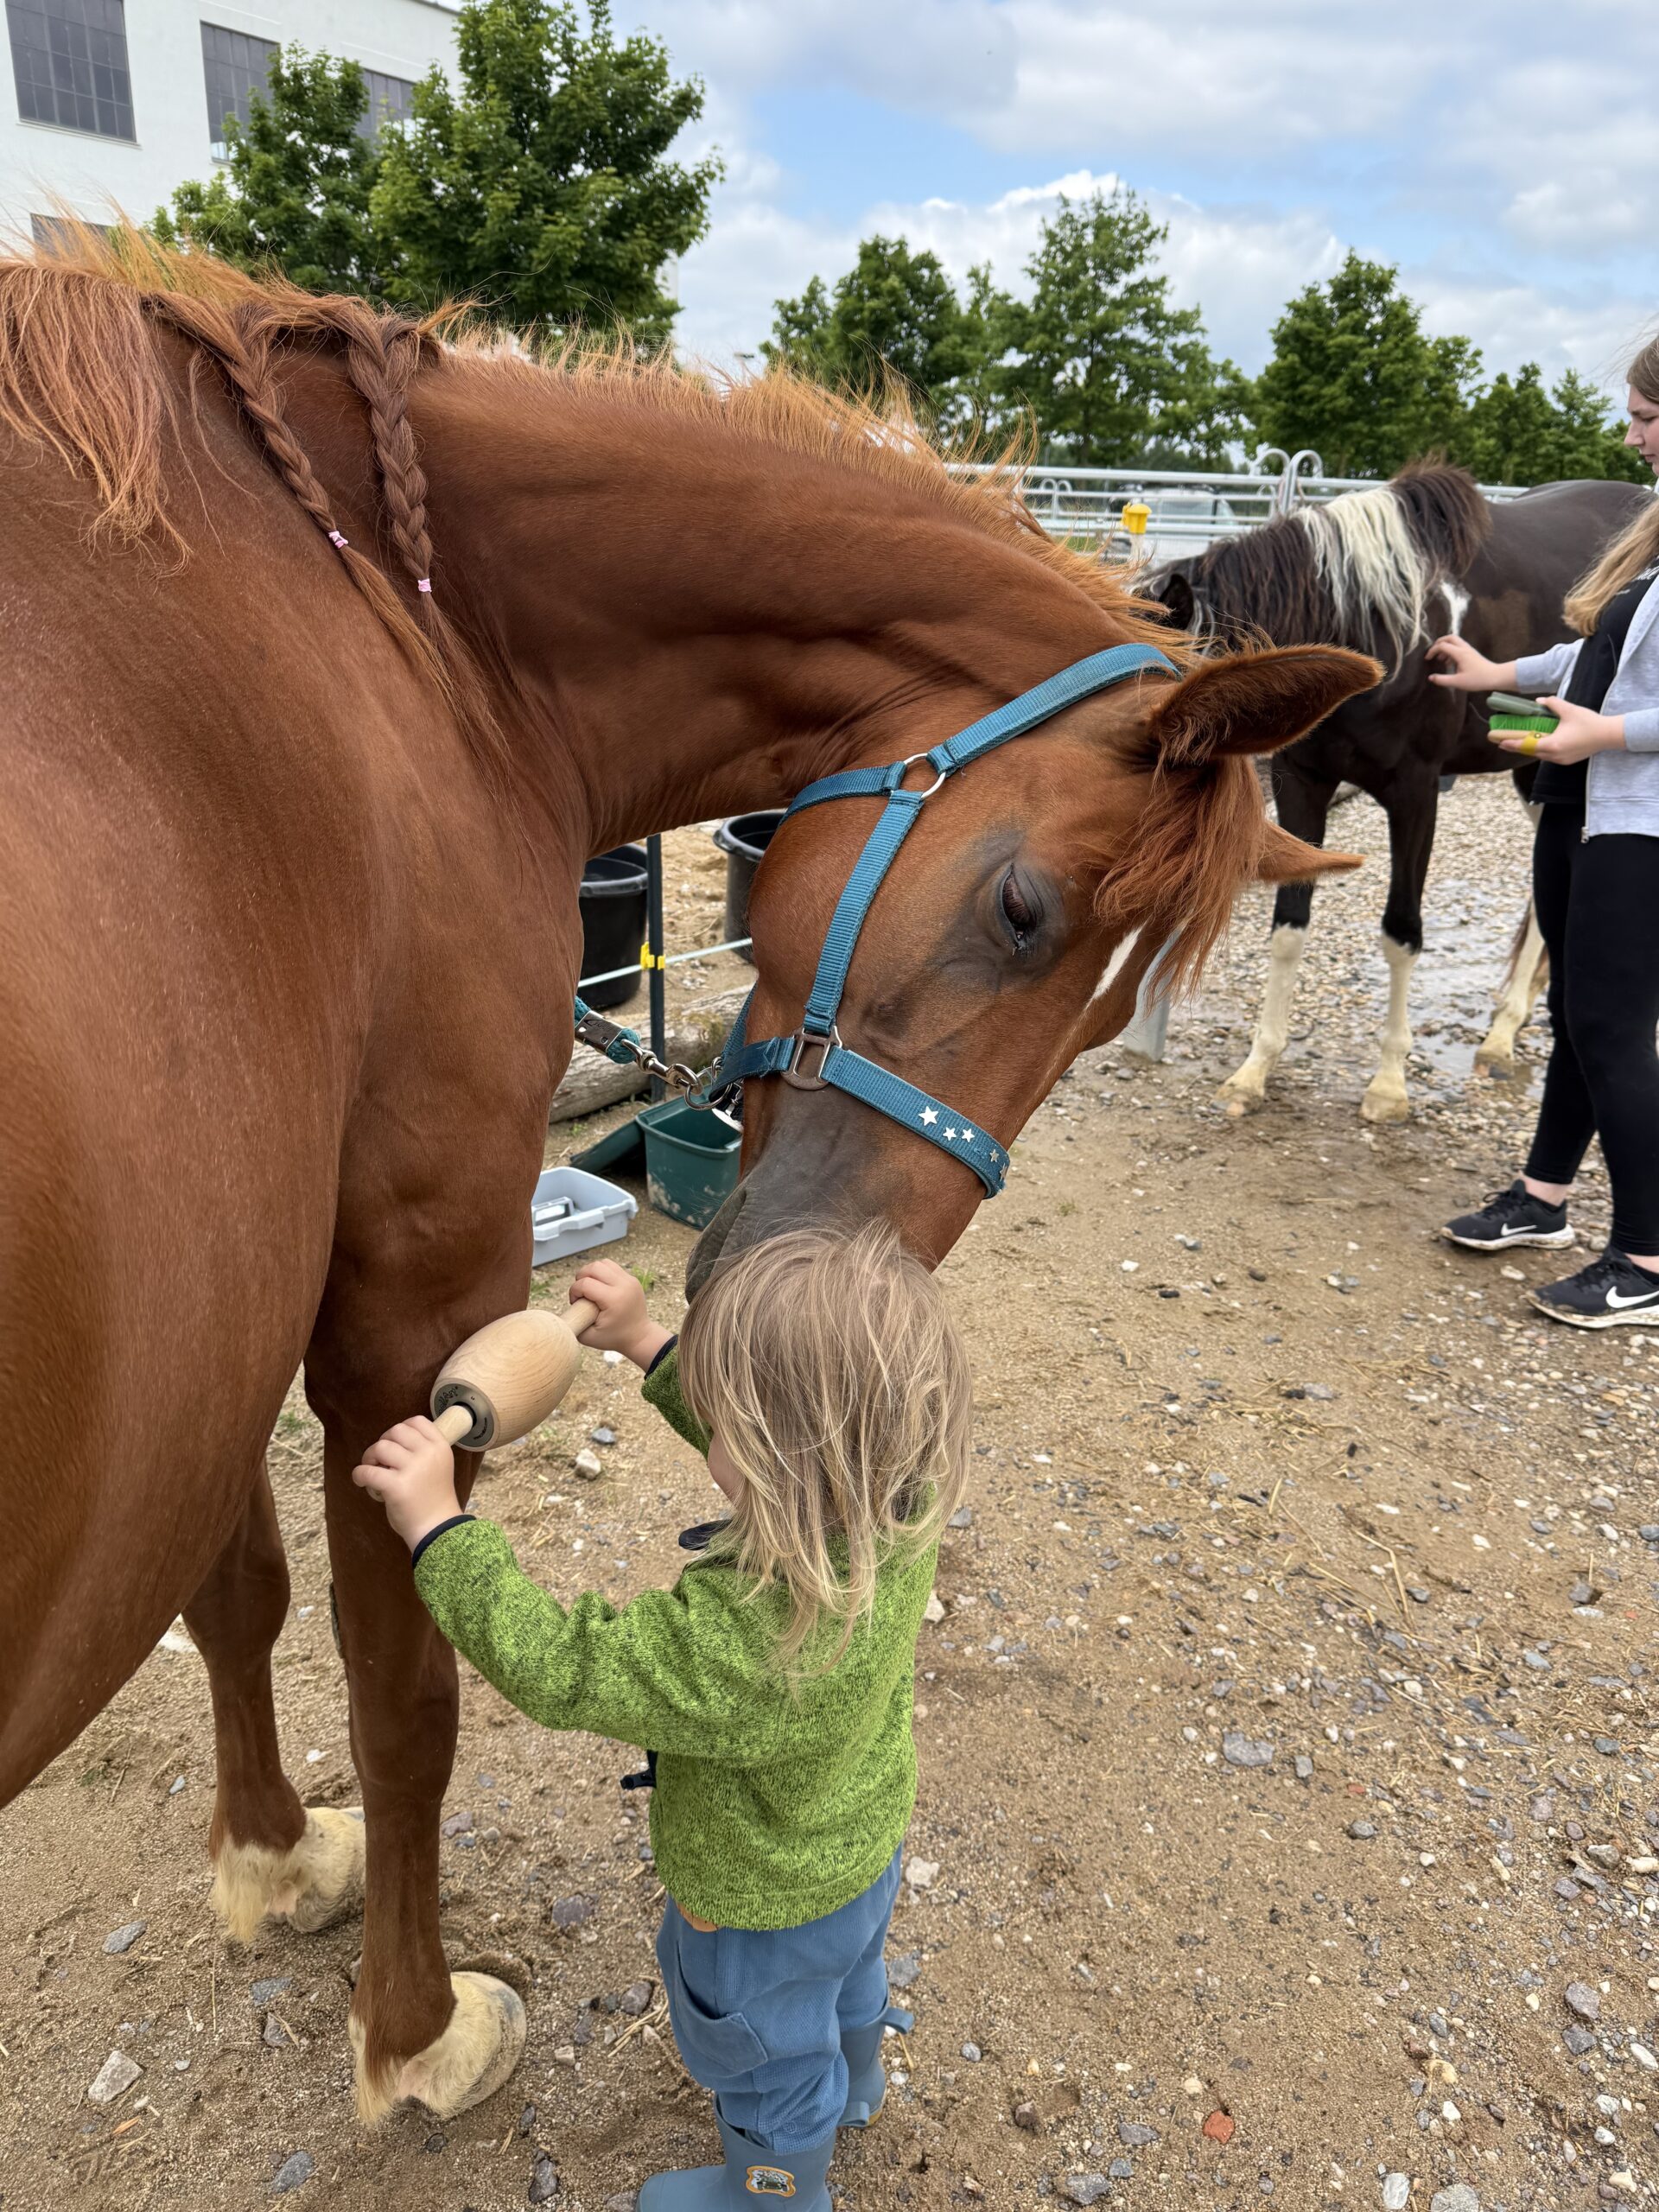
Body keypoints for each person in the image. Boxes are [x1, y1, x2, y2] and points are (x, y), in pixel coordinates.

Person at [352, 1225, 970, 2209]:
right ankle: (858, 2079)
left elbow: (567, 1667)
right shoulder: (898, 1491)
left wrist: (439, 1528)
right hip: (860, 1844)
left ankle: (774, 2190)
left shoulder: (750, 1646)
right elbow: (783, 1436)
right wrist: (647, 1343)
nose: (710, 1426)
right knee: (847, 1979)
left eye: (720, 1419)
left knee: (768, 2065)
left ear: (776, 1463)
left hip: (760, 1909)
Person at [1425, 339, 1659, 1327]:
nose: (1632, 437)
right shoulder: (1653, 535)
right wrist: (1498, 676)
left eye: (1646, 417)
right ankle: (1544, 1196)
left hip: (1639, 820)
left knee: (1611, 1025)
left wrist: (1604, 735)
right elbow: (1595, 653)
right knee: (1574, 1009)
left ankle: (1645, 1258)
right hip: (1582, 801)